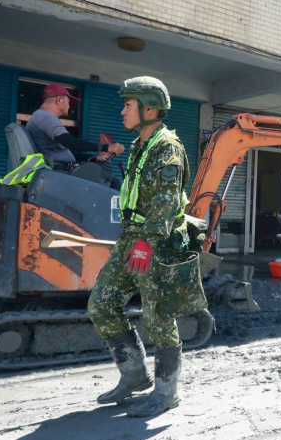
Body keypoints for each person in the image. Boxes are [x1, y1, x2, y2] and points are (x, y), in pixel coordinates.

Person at [88, 77, 206, 417]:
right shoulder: (142, 145)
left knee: (158, 318)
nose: (122, 110)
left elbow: (167, 205)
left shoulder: (167, 147)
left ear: (149, 108)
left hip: (155, 243)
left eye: (128, 104)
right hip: (133, 238)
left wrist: (145, 243)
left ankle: (167, 391)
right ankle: (135, 375)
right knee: (102, 304)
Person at [25, 83, 125, 188]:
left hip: (60, 169)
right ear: (59, 100)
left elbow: (66, 151)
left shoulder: (39, 116)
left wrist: (94, 158)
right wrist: (106, 147)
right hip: (61, 171)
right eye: (68, 102)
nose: (70, 106)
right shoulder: (47, 118)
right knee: (113, 182)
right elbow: (71, 142)